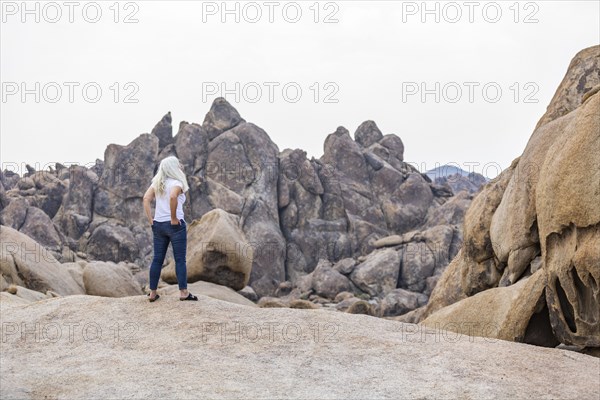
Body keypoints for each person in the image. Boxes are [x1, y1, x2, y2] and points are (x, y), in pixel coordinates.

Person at [143, 156, 198, 302]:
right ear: (174, 168)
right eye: (178, 164)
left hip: (159, 225)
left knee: (157, 260)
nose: (181, 166)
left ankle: (153, 293)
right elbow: (173, 196)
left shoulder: (157, 183)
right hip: (175, 226)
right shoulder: (177, 183)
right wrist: (173, 218)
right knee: (180, 260)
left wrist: (151, 220)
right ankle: (183, 293)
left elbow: (146, 199)